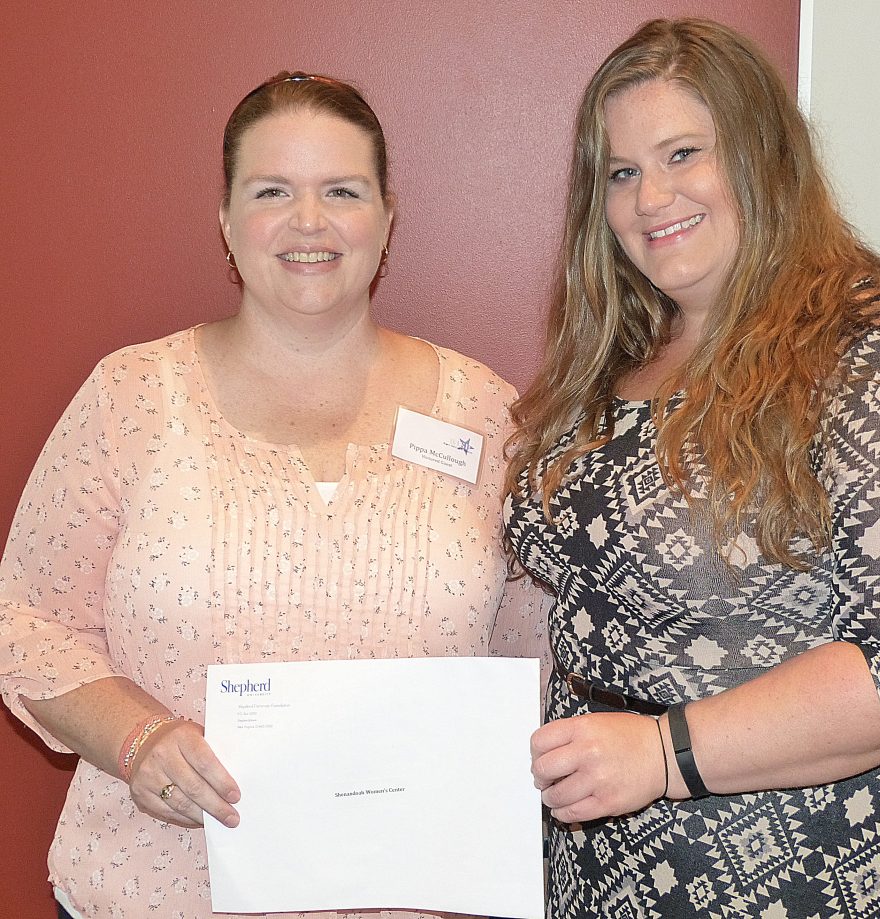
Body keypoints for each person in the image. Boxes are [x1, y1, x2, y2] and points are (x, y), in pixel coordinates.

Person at [504, 18, 880, 918]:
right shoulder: (613, 356)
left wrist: (664, 754)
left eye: (682, 153)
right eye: (621, 172)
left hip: (838, 868)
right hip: (618, 867)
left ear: (761, 154)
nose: (650, 195)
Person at [0, 72, 547, 919]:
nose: (309, 222)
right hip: (157, 892)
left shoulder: (484, 413)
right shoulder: (130, 398)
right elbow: (27, 618)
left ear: (387, 217)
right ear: (225, 219)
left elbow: (532, 652)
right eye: (272, 191)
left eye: (341, 190)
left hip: (413, 896)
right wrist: (136, 739)